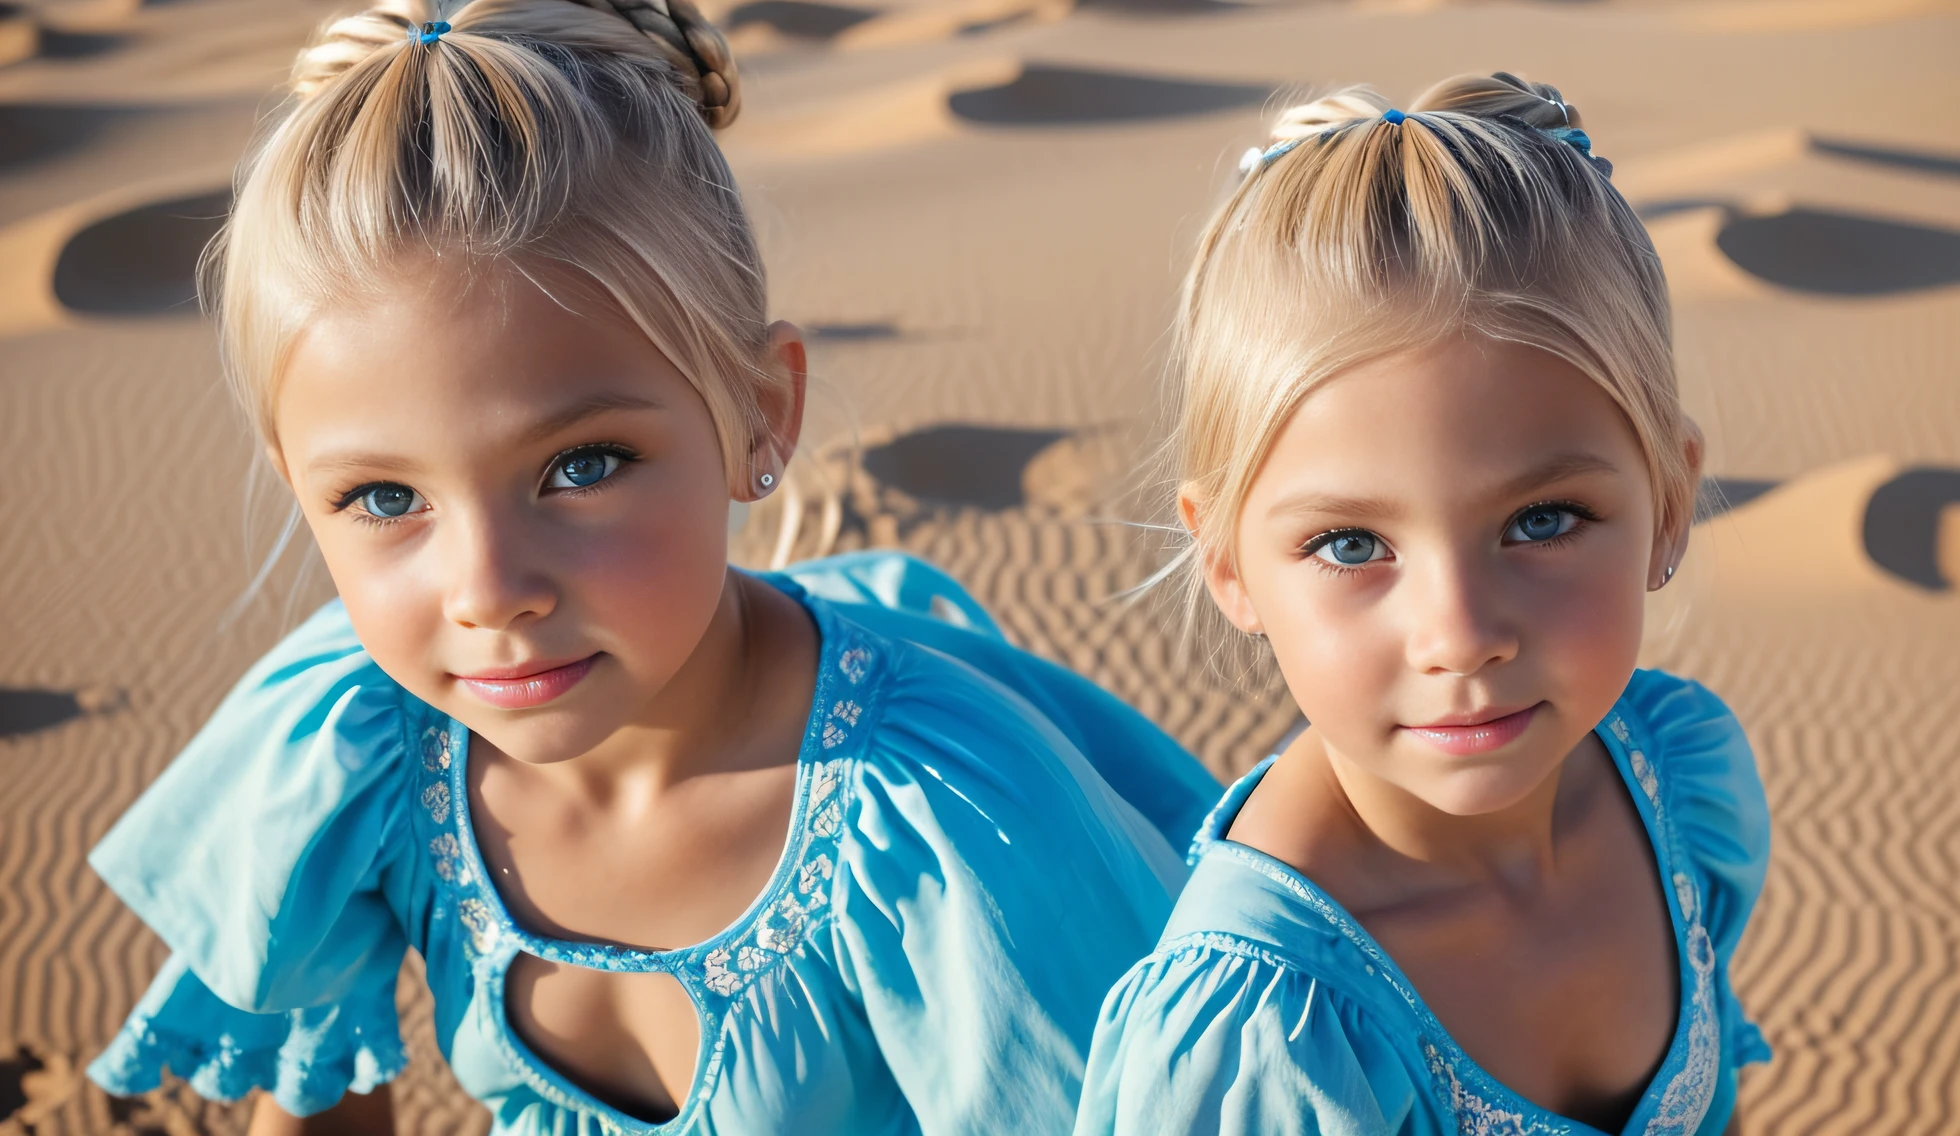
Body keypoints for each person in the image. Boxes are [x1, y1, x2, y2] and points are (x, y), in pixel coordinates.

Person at [83, 2, 1217, 1132]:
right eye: (384, 498)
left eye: (582, 465)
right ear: (295, 480)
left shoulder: (944, 821)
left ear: (758, 412)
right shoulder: (351, 747)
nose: (487, 590)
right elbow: (324, 1097)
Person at [1076, 73, 1771, 1136]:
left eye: (1541, 520)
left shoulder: (1675, 778)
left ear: (1667, 502)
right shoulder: (1267, 1034)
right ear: (1226, 564)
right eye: (1349, 543)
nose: (1459, 634)